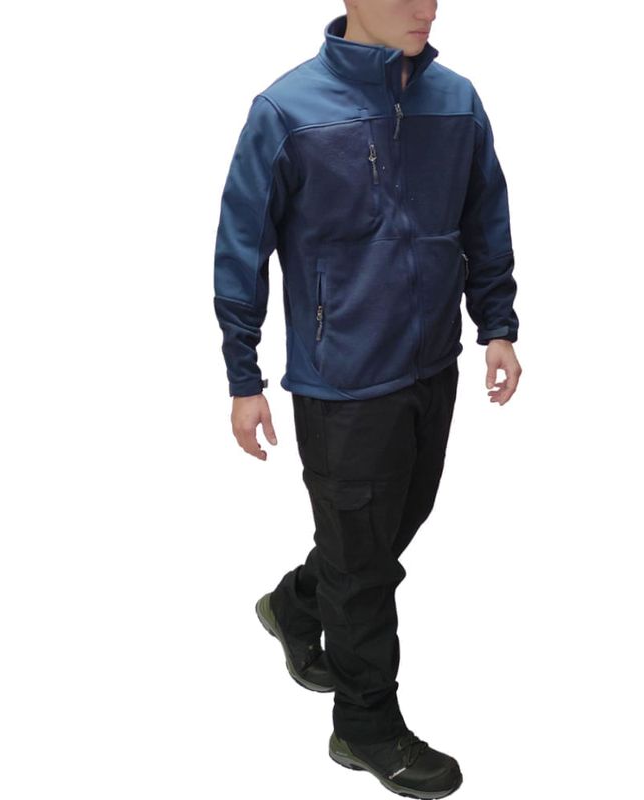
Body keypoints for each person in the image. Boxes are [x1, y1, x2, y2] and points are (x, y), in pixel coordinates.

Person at [213, 2, 522, 797]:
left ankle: (296, 603)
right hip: (342, 382)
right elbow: (242, 247)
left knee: (384, 536)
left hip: (432, 366)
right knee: (364, 568)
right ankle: (365, 725)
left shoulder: (456, 101)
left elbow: (484, 215)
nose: (426, 7)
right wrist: (244, 376)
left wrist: (496, 324)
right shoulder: (287, 112)